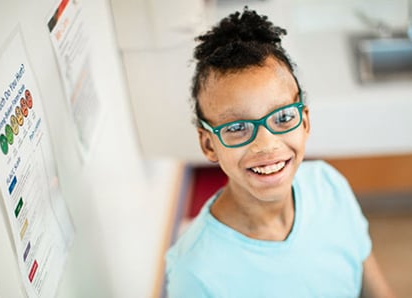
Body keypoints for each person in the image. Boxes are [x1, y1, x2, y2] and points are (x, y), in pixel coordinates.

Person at [165, 7, 394, 298]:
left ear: (305, 121)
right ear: (209, 145)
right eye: (237, 127)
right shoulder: (194, 271)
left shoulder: (329, 185)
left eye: (283, 118)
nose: (267, 145)